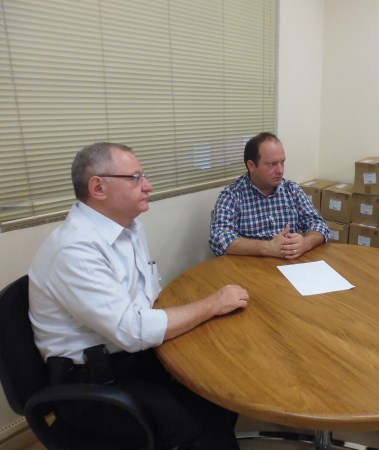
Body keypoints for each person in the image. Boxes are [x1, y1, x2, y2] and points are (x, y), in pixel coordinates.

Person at [29, 142, 249, 450]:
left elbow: (148, 296)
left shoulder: (128, 226)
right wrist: (212, 303)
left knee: (222, 388)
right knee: (203, 419)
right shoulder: (75, 250)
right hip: (92, 385)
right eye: (135, 178)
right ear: (98, 187)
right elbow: (132, 331)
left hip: (129, 357)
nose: (147, 186)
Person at [209, 132, 329, 258]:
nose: (280, 170)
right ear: (251, 165)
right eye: (272, 164)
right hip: (249, 272)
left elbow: (319, 225)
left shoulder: (292, 190)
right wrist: (267, 247)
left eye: (282, 162)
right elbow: (218, 238)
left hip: (289, 269)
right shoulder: (232, 195)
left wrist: (305, 243)